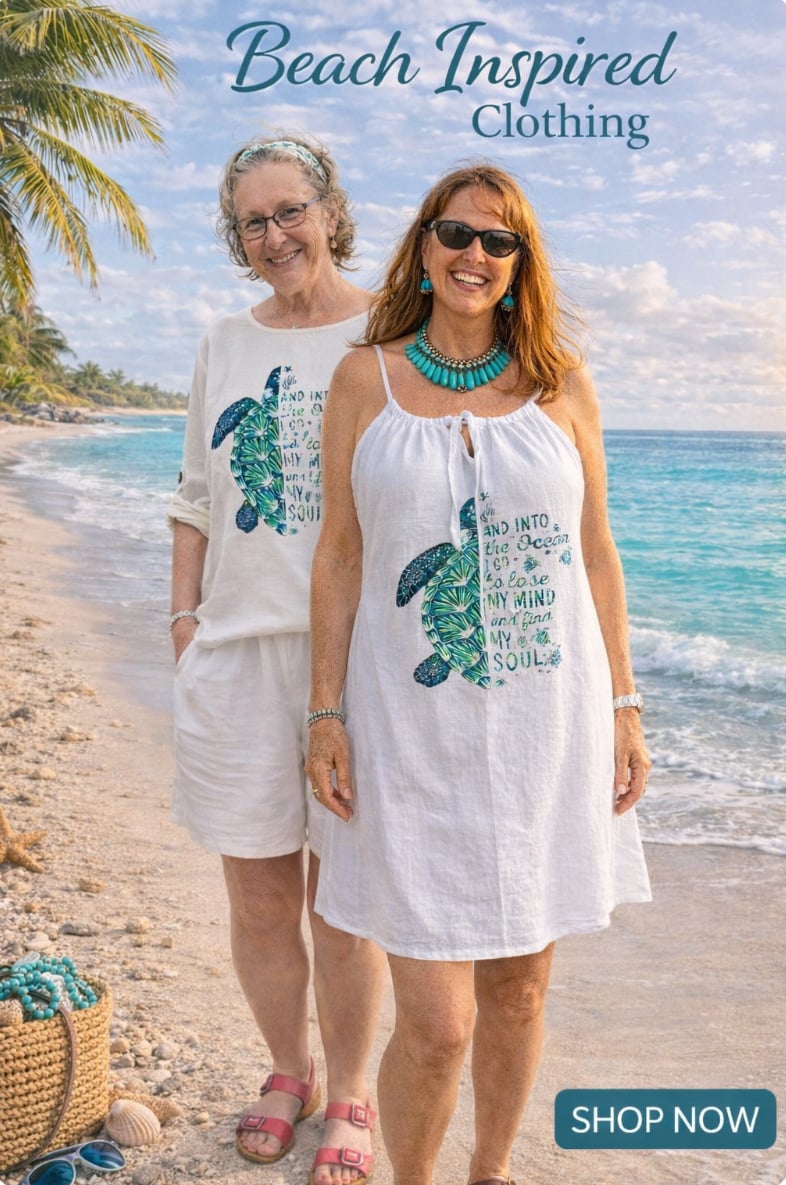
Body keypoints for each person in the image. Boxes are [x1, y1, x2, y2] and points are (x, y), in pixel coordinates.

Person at [306, 163, 652, 1185]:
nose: (475, 254)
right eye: (456, 233)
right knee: (438, 1025)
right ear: (424, 246)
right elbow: (340, 555)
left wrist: (626, 707)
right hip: (407, 740)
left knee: (520, 993)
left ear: (519, 264)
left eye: (499, 241)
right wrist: (323, 712)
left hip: (548, 731)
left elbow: (596, 553)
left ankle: (489, 1171)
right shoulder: (363, 380)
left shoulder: (562, 386)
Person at [168, 133, 386, 1183]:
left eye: (291, 210)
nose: (275, 235)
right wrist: (183, 620)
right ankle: (287, 1070)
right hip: (236, 654)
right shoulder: (223, 342)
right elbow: (194, 496)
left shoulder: (390, 329)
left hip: (357, 662)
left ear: (330, 210)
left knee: (344, 899)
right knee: (258, 896)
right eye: (252, 221)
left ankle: (352, 1091)